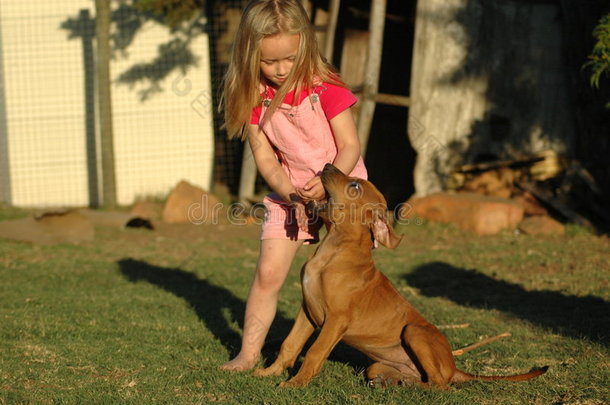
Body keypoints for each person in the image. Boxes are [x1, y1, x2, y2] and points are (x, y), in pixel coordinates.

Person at [218, 0, 367, 372]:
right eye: (270, 62)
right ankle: (248, 354)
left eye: (290, 58)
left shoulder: (326, 87)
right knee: (268, 274)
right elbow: (265, 158)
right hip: (291, 192)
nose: (281, 69)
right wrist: (290, 194)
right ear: (250, 54)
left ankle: (369, 343)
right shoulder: (254, 96)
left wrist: (328, 179)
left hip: (341, 191)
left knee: (342, 279)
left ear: (305, 45)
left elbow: (350, 145)